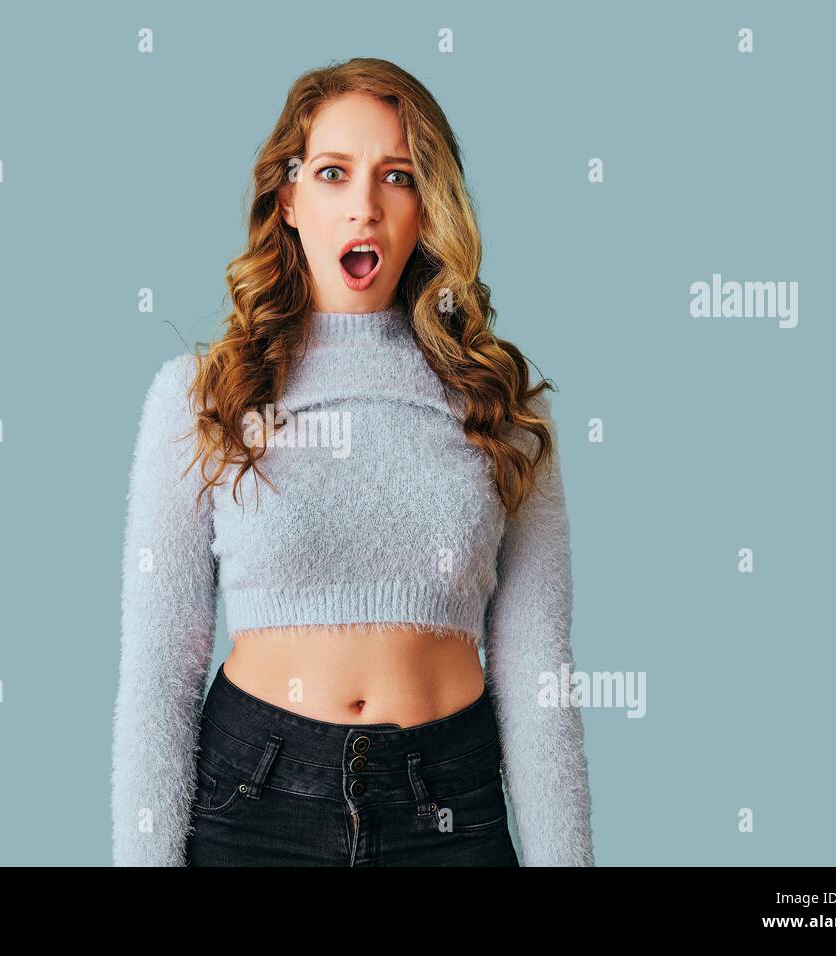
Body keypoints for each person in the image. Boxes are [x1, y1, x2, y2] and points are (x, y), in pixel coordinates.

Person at [112, 57, 594, 867]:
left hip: (450, 808)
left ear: (426, 208)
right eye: (333, 173)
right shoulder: (201, 395)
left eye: (397, 177)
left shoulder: (504, 405)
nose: (364, 207)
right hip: (252, 805)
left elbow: (542, 681)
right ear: (291, 200)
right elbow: (158, 676)